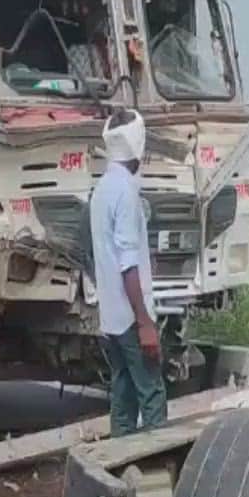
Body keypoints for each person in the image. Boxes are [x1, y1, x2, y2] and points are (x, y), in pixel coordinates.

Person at [90, 109, 167, 436]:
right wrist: (145, 322)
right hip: (131, 317)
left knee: (122, 395)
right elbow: (127, 263)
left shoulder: (102, 189)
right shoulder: (126, 192)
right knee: (151, 394)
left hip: (111, 317)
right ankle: (158, 471)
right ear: (138, 144)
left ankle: (120, 463)